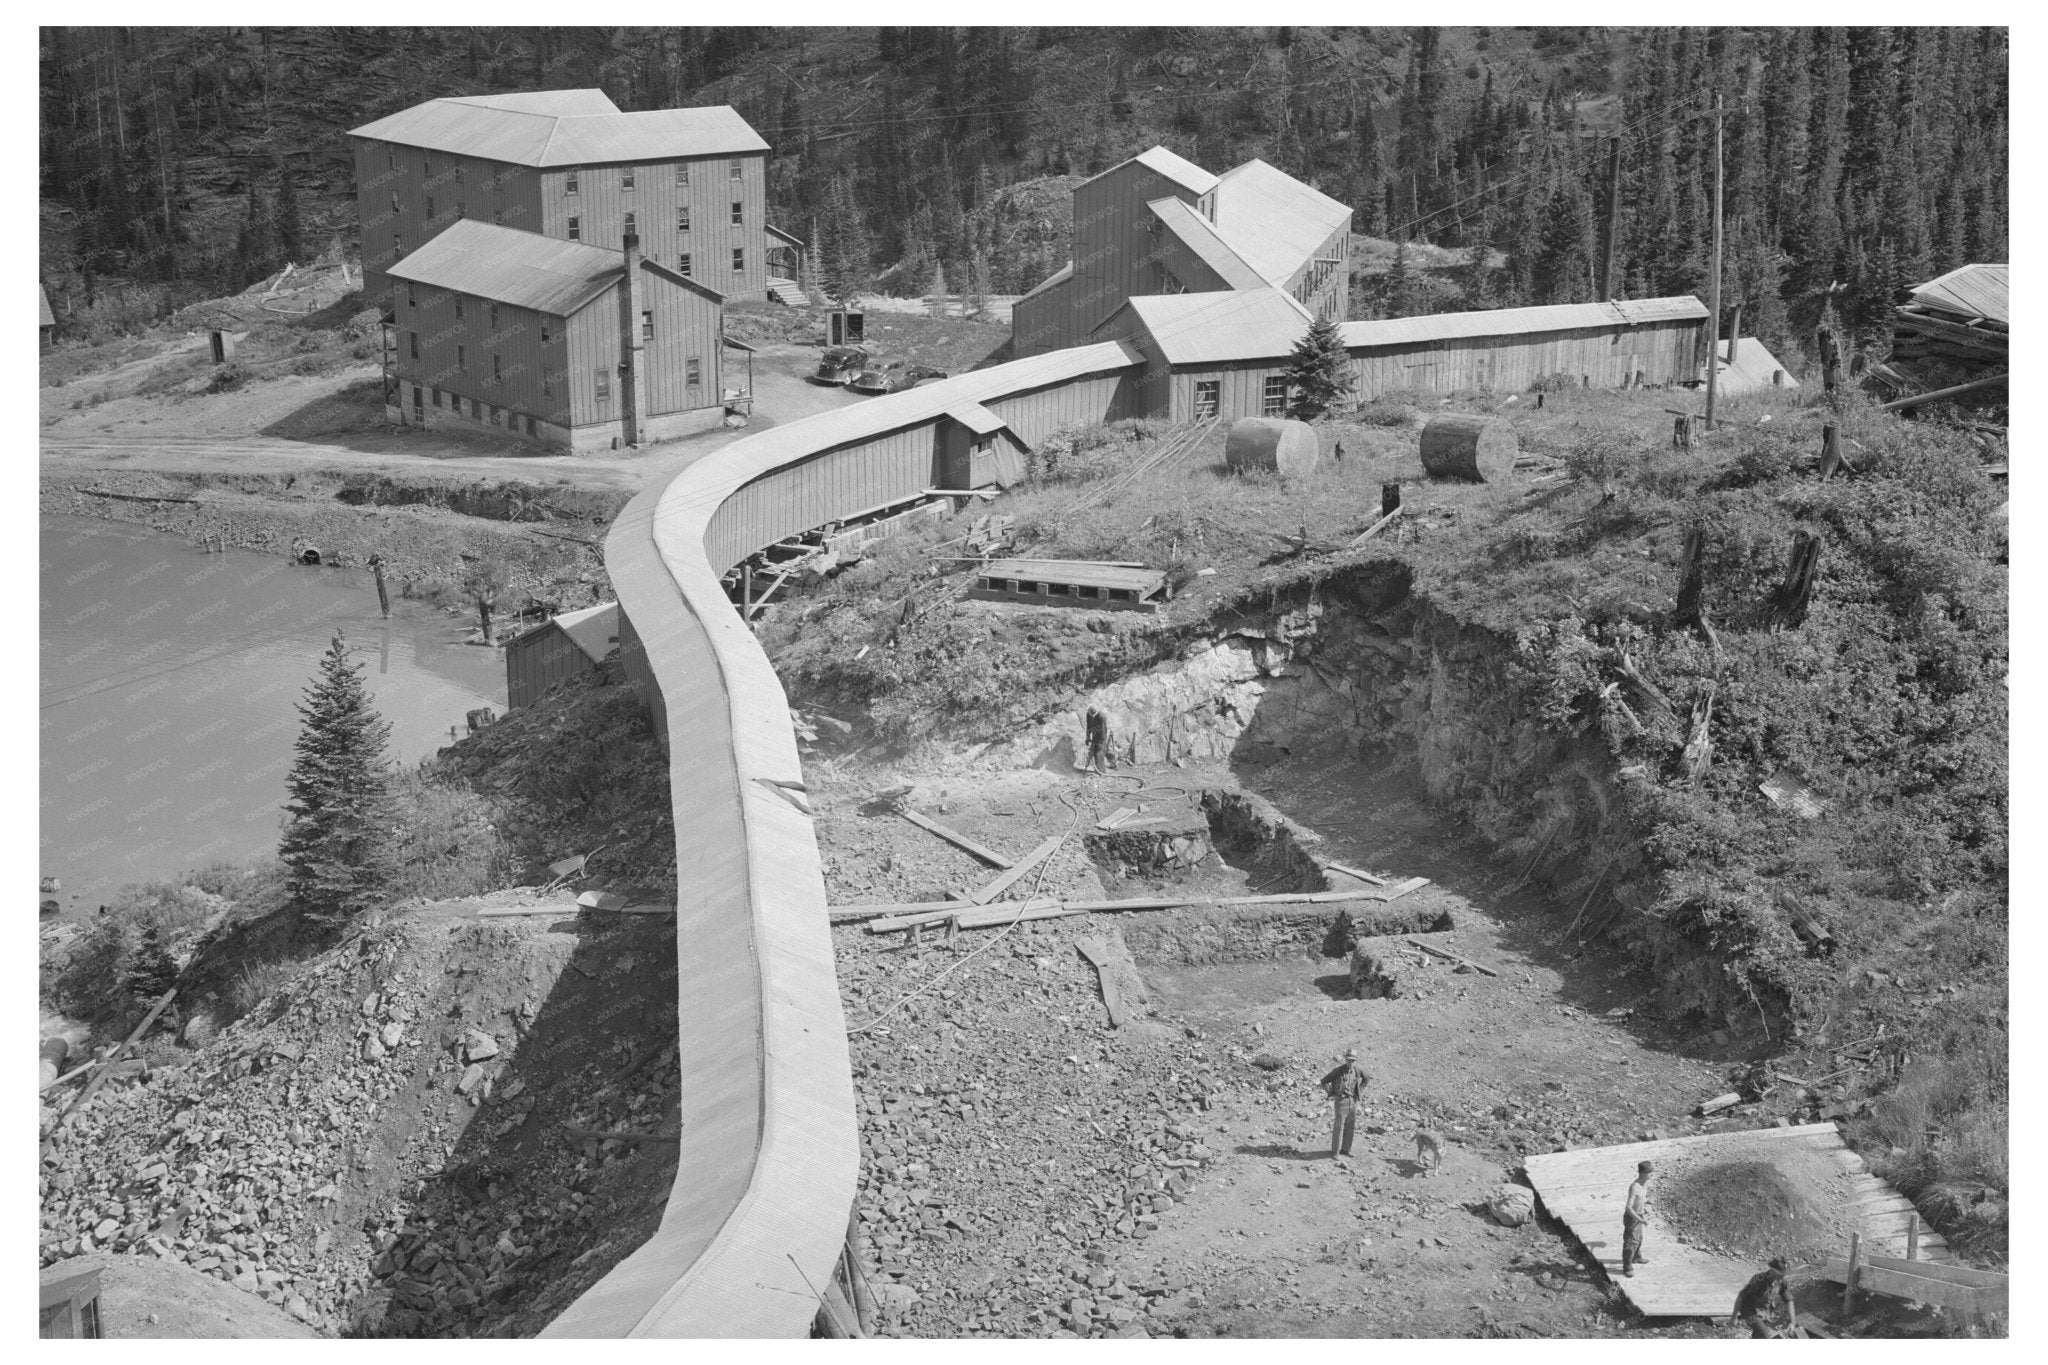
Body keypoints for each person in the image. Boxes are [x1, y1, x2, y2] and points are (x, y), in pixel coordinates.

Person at [1320, 1047, 1369, 1159]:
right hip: (1341, 1101)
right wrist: (1331, 1093)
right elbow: (1323, 1081)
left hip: (1353, 1101)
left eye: (1353, 1060)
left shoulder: (1358, 1070)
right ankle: (1335, 1152)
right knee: (1338, 1127)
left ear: (1356, 1060)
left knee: (1350, 1126)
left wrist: (1359, 1091)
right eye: (1349, 1059)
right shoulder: (1338, 1071)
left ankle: (1346, 1150)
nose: (1351, 1062)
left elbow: (1366, 1078)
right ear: (1345, 1059)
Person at [1734, 1258, 1797, 1338]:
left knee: (1758, 1336)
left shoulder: (1782, 1281)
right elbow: (1741, 1296)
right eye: (1780, 1274)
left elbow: (1788, 1300)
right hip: (1749, 1311)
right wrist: (1734, 1317)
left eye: (1783, 1274)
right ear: (1772, 1271)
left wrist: (1792, 1323)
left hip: (1764, 1312)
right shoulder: (1759, 1279)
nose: (1782, 1276)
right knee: (1765, 1334)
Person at [1621, 1160, 1653, 1277]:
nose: (1651, 1174)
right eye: (1649, 1172)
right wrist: (1640, 1219)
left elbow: (1640, 1199)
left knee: (1639, 1238)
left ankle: (1636, 1257)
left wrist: (1647, 1202)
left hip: (1639, 1215)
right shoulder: (1635, 1187)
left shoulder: (1645, 1184)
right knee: (1630, 1242)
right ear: (1643, 1173)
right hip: (1632, 1218)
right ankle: (1627, 1267)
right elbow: (1629, 1208)